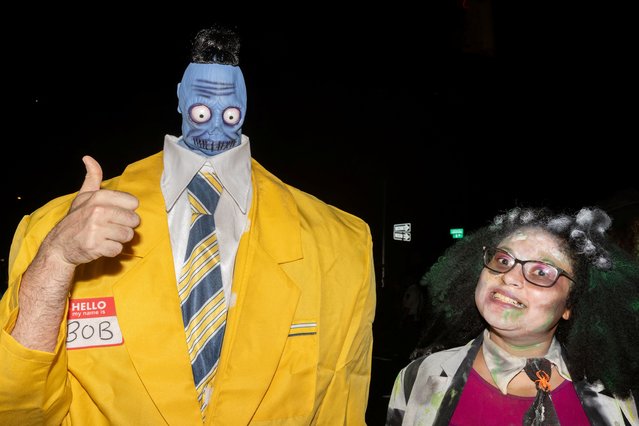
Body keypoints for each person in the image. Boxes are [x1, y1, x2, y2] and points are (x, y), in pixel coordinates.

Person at [0, 25, 375, 424]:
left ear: (246, 107)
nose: (214, 125)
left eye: (229, 113)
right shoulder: (54, 230)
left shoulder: (340, 245)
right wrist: (57, 260)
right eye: (202, 111)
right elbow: (20, 410)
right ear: (181, 100)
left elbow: (341, 408)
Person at [386, 206, 639, 425]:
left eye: (541, 272)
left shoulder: (614, 400)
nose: (508, 276)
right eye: (503, 260)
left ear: (569, 305)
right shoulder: (418, 377)